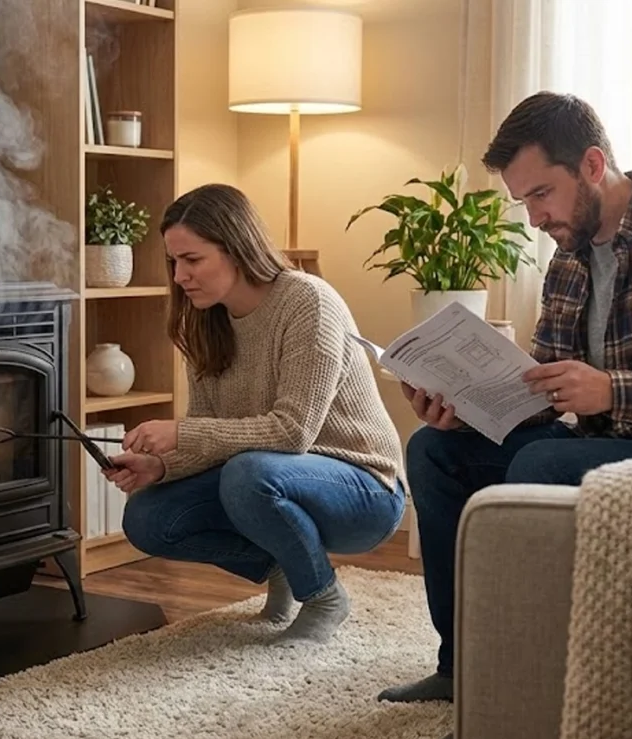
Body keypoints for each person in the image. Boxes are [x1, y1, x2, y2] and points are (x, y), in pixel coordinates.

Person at [378, 91, 632, 722]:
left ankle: (526, 694)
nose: (533, 218)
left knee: (544, 466)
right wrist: (465, 406)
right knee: (436, 452)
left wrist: (612, 388)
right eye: (524, 200)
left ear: (592, 164)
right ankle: (462, 668)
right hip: (597, 442)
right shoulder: (570, 260)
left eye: (541, 195)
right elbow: (546, 391)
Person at [101, 183, 409, 644]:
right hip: (265, 476)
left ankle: (324, 596)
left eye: (193, 259)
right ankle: (287, 564)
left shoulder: (308, 302)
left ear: (236, 247)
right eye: (173, 262)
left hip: (364, 488)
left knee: (247, 474)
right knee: (147, 517)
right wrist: (161, 465)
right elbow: (211, 435)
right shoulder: (205, 322)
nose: (180, 275)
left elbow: (293, 432)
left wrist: (181, 433)